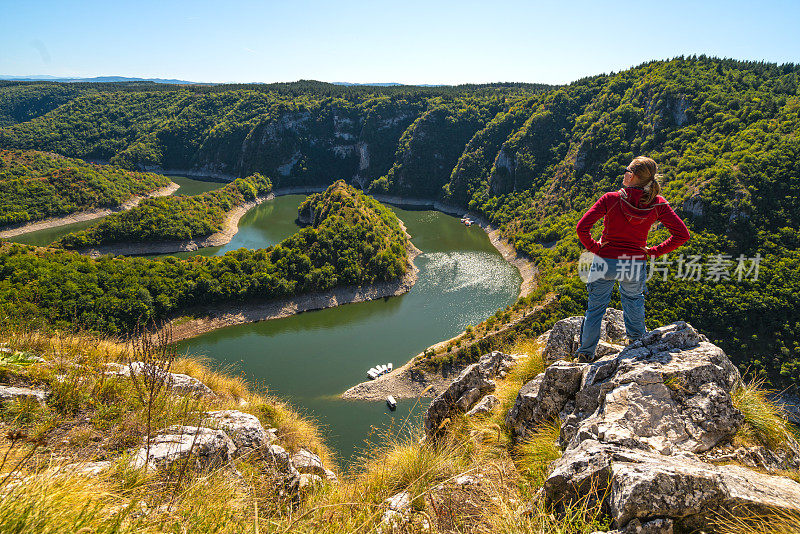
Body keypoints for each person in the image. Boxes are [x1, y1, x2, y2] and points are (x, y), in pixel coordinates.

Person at [574, 156, 691, 361]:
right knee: (633, 302)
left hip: (605, 262)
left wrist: (595, 248)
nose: (624, 173)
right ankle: (638, 348)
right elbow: (682, 235)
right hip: (635, 263)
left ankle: (585, 353)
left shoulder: (611, 198)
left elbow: (582, 228)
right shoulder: (658, 204)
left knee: (595, 308)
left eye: (627, 170)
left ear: (633, 175)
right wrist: (653, 251)